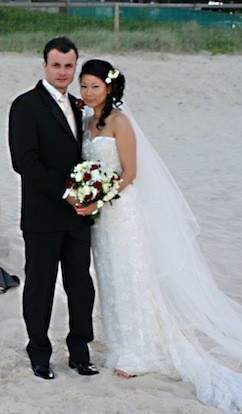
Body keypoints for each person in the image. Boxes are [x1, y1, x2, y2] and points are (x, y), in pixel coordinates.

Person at [76, 59, 242, 412]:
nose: (88, 92)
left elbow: (131, 172)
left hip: (123, 211)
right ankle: (121, 346)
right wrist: (87, 198)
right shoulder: (86, 122)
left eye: (94, 86)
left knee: (132, 277)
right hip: (100, 217)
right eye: (84, 86)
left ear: (109, 87)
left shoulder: (121, 122)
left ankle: (140, 352)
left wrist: (100, 198)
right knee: (111, 279)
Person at [8, 38, 99, 380]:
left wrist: (89, 194)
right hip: (43, 215)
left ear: (75, 67)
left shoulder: (79, 105)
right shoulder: (25, 105)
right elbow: (24, 162)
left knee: (80, 287)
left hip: (78, 217)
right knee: (40, 287)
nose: (63, 72)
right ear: (44, 65)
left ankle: (80, 353)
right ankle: (40, 355)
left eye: (69, 66)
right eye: (56, 65)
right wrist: (65, 193)